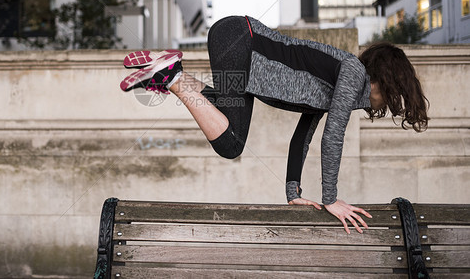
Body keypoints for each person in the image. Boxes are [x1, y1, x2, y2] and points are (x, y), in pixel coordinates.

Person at [120, 15, 429, 234]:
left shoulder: (334, 86)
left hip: (238, 38)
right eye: (392, 98)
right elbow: (333, 136)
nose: (388, 106)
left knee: (221, 114)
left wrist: (292, 192)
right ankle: (172, 76)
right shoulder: (352, 72)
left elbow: (303, 139)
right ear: (386, 82)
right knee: (230, 143)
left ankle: (166, 73)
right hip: (241, 40)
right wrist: (331, 200)